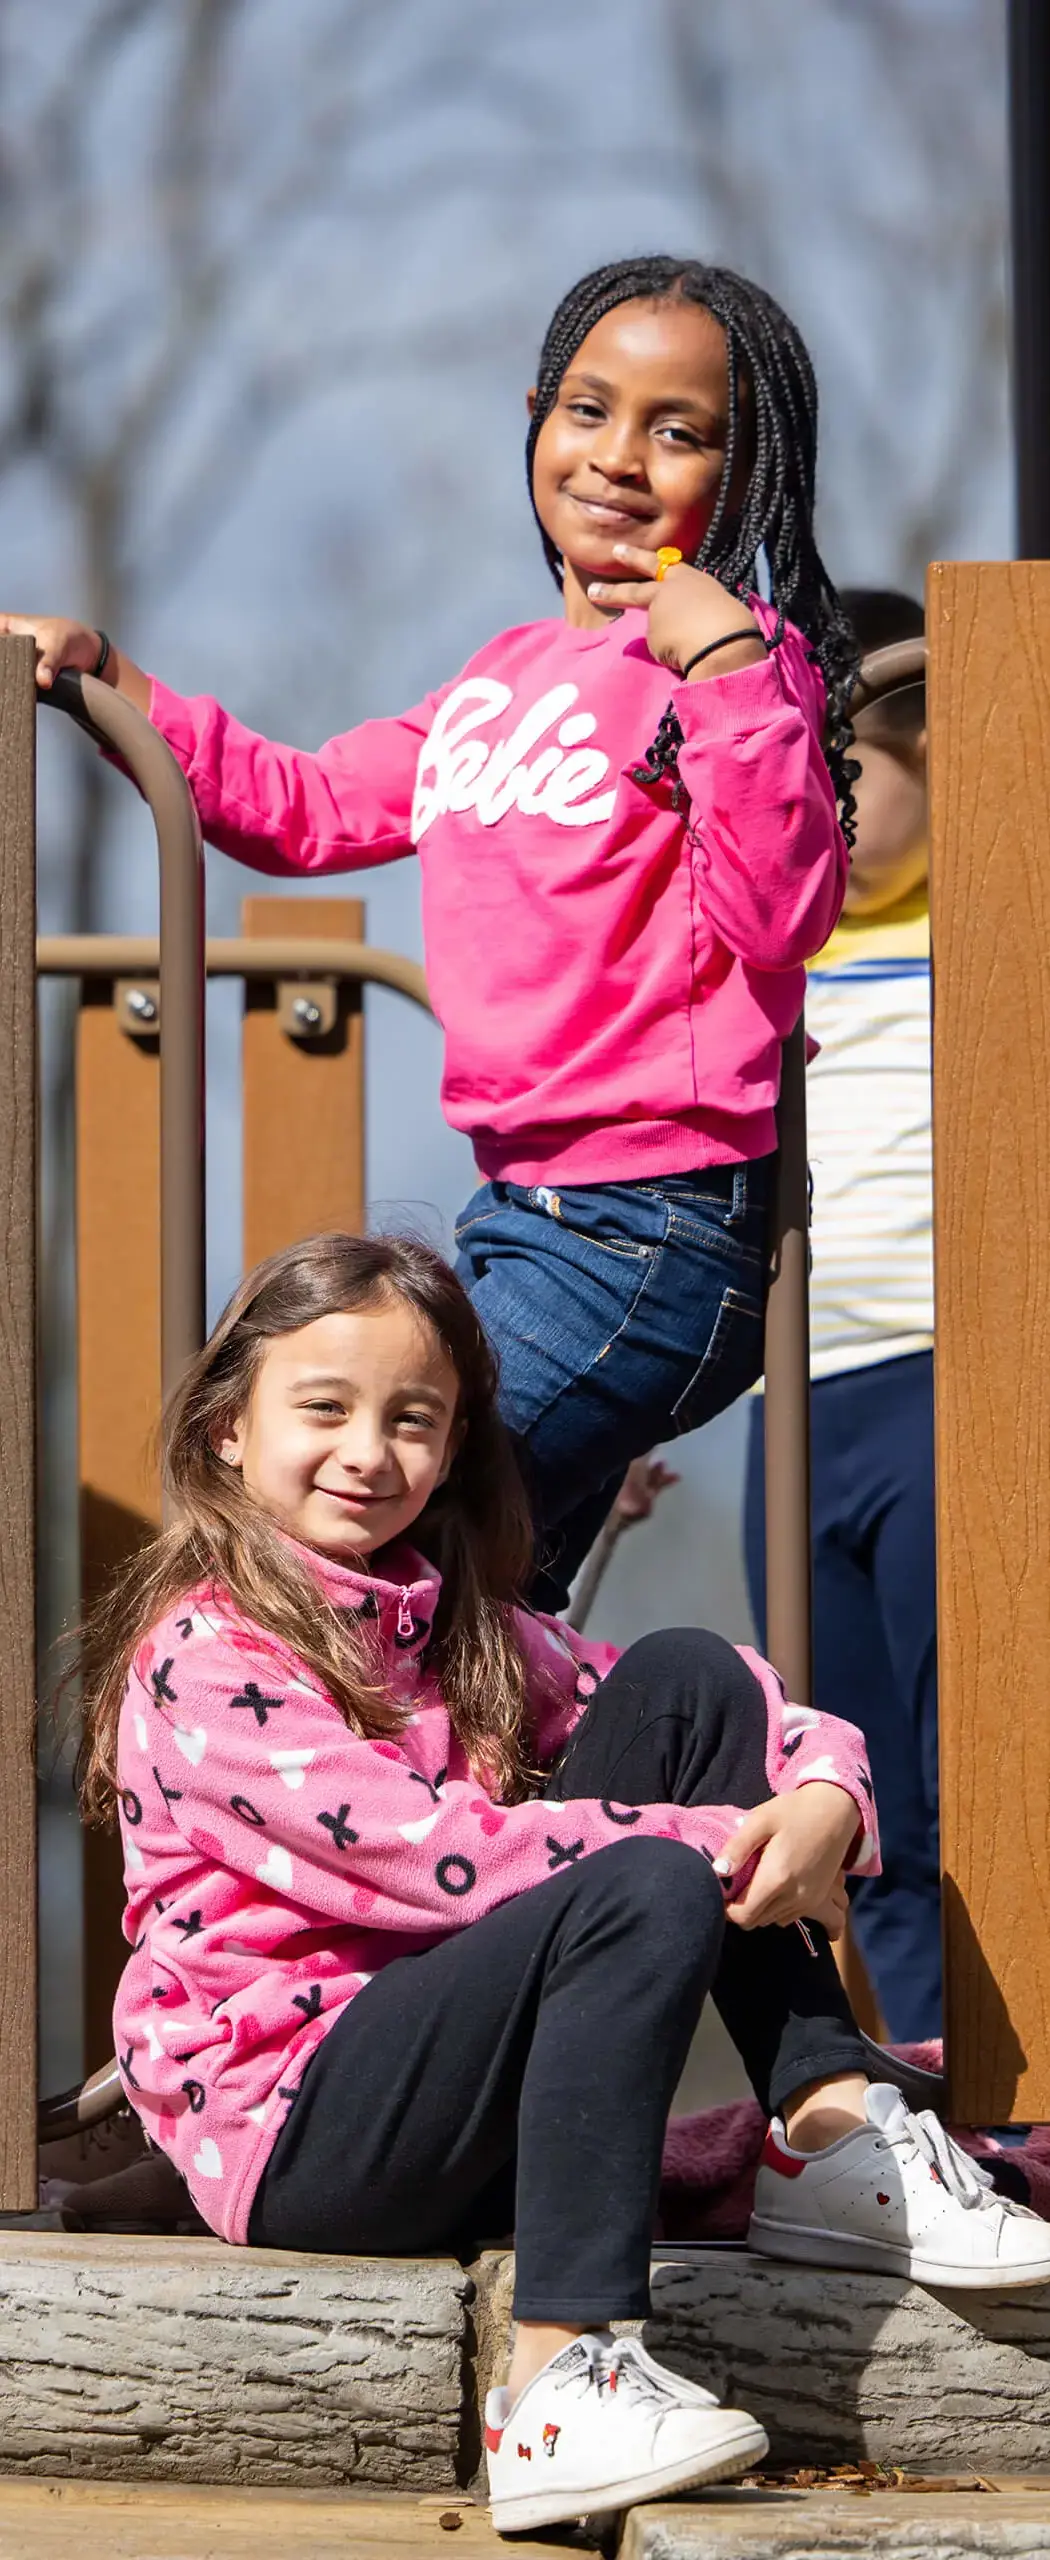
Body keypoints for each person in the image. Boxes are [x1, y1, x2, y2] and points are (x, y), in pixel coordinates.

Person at [81, 1233, 1050, 2536]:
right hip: (305, 2136)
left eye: (411, 1419)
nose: (369, 1452)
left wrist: (824, 1800)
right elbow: (435, 1862)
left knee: (688, 1675)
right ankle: (558, 2378)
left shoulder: (443, 1614)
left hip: (463, 2099)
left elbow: (740, 1715)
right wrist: (720, 1842)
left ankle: (826, 2129)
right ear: (224, 1437)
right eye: (323, 1409)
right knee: (644, 1876)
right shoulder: (206, 1657)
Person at [4, 253, 857, 1611]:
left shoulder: (732, 664)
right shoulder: (497, 681)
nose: (619, 458)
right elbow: (301, 808)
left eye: (678, 431)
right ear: (533, 418)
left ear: (744, 475)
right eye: (587, 410)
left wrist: (725, 671)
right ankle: (532, 1816)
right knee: (479, 1622)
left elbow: (778, 909)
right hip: (520, 1215)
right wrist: (116, 683)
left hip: (656, 1225)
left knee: (367, 1534)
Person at [744, 589, 939, 2041]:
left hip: (951, 1383)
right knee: (850, 1785)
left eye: (842, 778)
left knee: (982, 1764)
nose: (810, 817)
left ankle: (1026, 2089)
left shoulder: (989, 926)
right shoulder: (763, 951)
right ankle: (935, 2087)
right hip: (790, 1404)